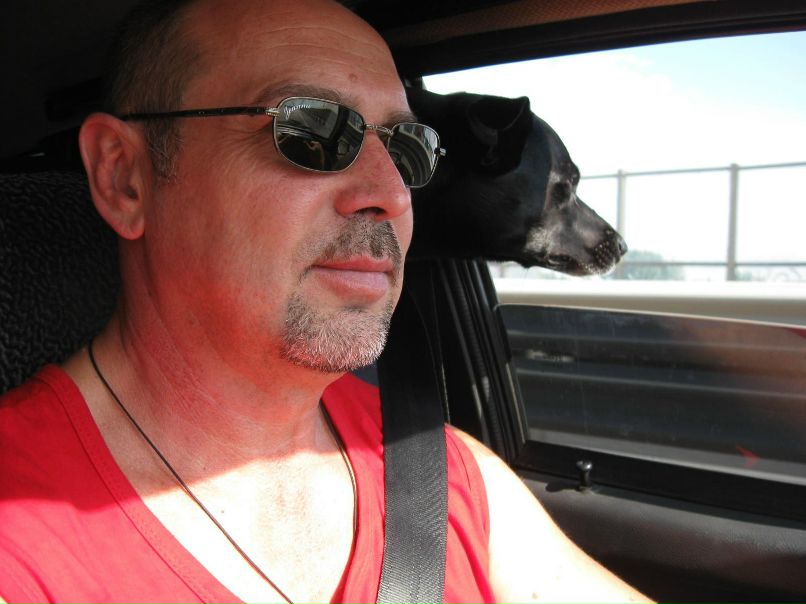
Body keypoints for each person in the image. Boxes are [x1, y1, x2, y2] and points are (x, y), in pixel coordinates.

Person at [0, 1, 652, 602]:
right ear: (125, 177)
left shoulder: (447, 472)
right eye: (312, 129)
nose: (392, 194)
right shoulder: (21, 532)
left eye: (408, 149)